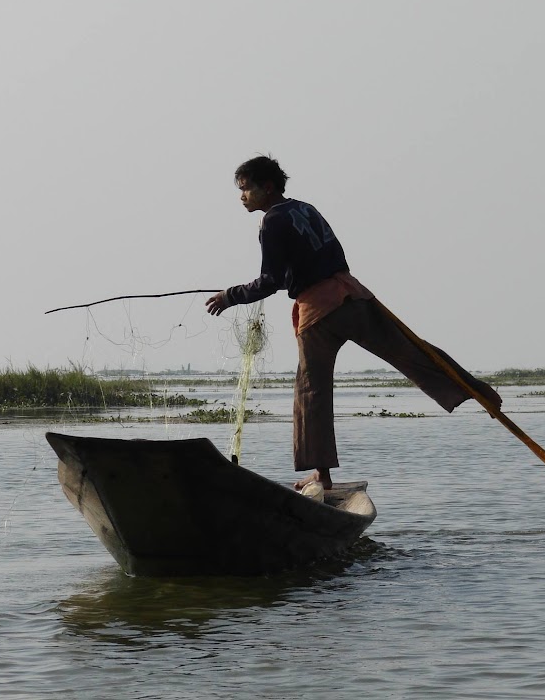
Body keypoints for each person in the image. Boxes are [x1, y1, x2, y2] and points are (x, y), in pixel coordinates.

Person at [206, 155, 501, 491]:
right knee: (410, 350)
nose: (242, 196)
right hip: (353, 295)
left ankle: (322, 475)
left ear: (267, 187)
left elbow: (269, 281)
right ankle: (478, 391)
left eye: (246, 189)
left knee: (311, 393)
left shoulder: (271, 222)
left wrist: (229, 296)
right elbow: (325, 257)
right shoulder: (306, 208)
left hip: (317, 313)